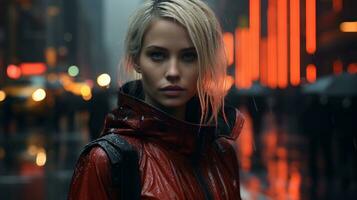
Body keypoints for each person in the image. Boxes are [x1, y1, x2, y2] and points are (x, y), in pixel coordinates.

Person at [68, 0, 244, 199]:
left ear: (204, 62)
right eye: (158, 55)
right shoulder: (104, 162)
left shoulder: (222, 154)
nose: (173, 72)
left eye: (188, 56)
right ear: (136, 60)